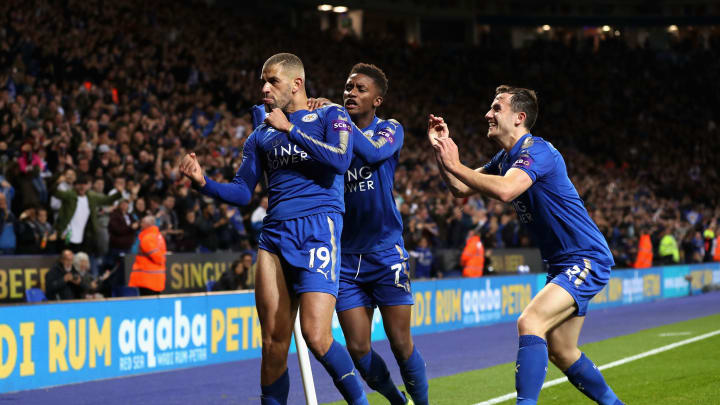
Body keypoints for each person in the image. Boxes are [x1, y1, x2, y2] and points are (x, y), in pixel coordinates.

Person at [179, 53, 366, 404]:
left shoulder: (330, 114)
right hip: (275, 236)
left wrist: (290, 129)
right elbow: (241, 191)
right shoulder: (260, 135)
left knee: (316, 334)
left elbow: (340, 160)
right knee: (273, 343)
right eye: (262, 81)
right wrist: (204, 183)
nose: (264, 88)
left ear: (297, 83)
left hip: (318, 230)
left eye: (273, 81)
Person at [429, 85, 623, 405]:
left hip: (586, 257)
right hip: (563, 264)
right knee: (562, 351)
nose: (487, 114)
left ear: (519, 118)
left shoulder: (538, 150)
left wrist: (457, 164)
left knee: (529, 321)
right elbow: (460, 188)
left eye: (496, 108)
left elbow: (506, 191)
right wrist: (442, 151)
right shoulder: (505, 158)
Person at [308, 62, 429, 404]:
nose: (351, 93)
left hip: (385, 252)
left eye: (360, 89)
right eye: (348, 87)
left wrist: (336, 116)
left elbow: (375, 153)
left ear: (377, 100)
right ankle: (396, 400)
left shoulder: (390, 128)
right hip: (345, 260)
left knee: (401, 343)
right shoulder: (331, 132)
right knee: (359, 350)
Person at [128, 215, 167, 295]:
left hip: (147, 279)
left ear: (148, 224)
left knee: (147, 304)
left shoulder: (147, 238)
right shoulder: (158, 236)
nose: (141, 224)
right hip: (156, 278)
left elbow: (158, 257)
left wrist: (161, 260)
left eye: (142, 222)